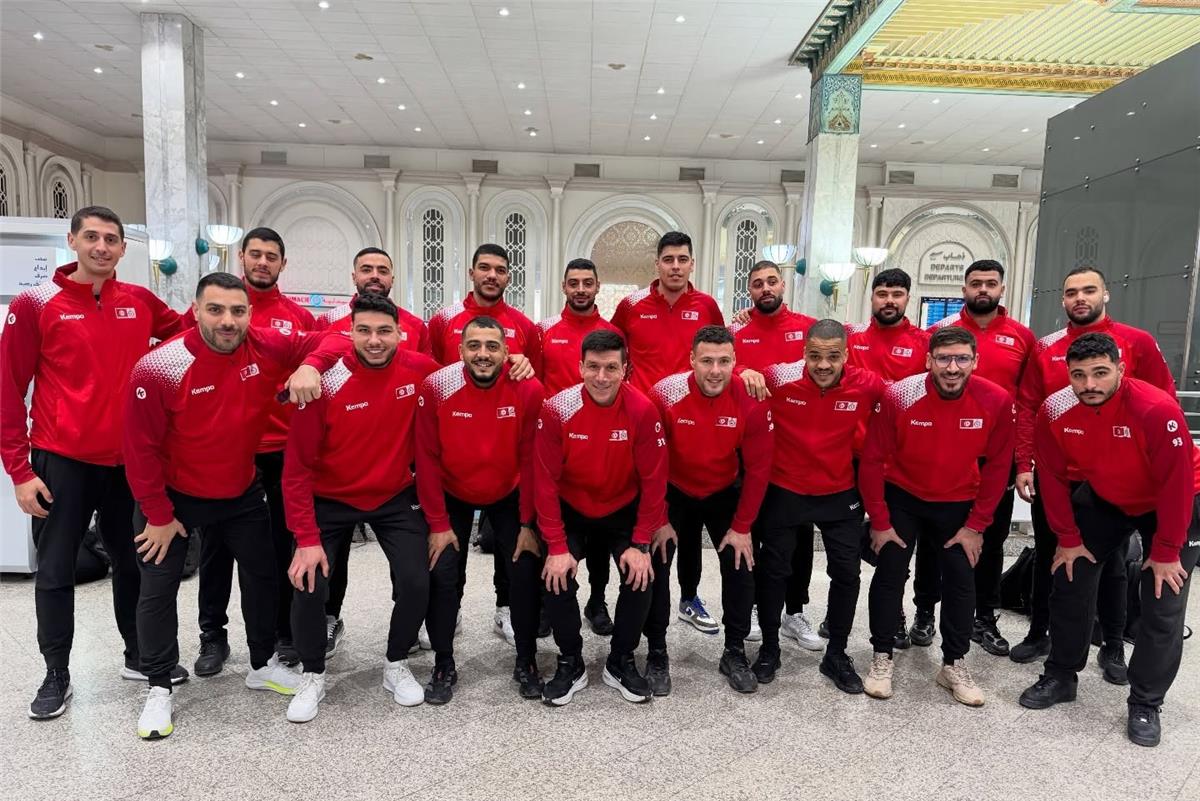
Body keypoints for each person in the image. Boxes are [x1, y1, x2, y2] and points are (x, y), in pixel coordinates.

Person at [121, 272, 335, 739]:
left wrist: (311, 365)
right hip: (173, 499)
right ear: (196, 310)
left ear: (250, 314)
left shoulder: (266, 345)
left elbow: (335, 337)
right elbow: (139, 451)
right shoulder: (158, 367)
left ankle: (261, 664)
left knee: (262, 577)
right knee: (157, 589)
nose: (228, 321)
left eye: (238, 311)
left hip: (240, 491)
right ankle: (158, 686)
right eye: (216, 310)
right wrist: (157, 515)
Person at [1, 206, 187, 719]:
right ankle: (56, 673)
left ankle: (140, 655)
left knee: (134, 563)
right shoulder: (36, 304)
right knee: (55, 569)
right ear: (73, 241)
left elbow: (188, 335)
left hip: (129, 463)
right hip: (62, 461)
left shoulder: (141, 301)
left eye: (110, 239)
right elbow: (8, 390)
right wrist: (20, 471)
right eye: (91, 237)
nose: (101, 247)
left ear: (123, 248)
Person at [1018, 333, 1198, 748]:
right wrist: (1067, 539)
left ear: (1120, 369)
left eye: (1100, 373)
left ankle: (1146, 701)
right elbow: (1053, 478)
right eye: (1079, 375)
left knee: (1163, 597)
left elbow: (1176, 484)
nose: (1089, 384)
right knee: (1069, 574)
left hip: (1175, 500)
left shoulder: (1155, 408)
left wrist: (1166, 551)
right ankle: (1061, 674)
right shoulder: (1055, 409)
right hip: (1108, 497)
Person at [281, 294, 439, 722]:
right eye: (364, 331)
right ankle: (313, 673)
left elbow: (466, 375)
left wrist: (515, 364)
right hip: (329, 499)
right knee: (309, 582)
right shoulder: (323, 382)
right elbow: (296, 470)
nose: (374, 340)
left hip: (392, 496)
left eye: (384, 331)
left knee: (416, 580)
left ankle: (396, 663)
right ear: (349, 333)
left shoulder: (420, 370)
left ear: (400, 334)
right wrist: (306, 539)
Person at [1012, 267, 1177, 672]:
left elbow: (1163, 400)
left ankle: (1113, 643)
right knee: (1055, 556)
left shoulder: (1136, 342)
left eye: (1089, 290)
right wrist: (1024, 463)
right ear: (1063, 300)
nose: (1080, 298)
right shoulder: (1046, 346)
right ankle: (1040, 633)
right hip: (1058, 469)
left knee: (1114, 564)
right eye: (1072, 292)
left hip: (1114, 478)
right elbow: (1029, 407)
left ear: (1106, 294)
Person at [611, 231, 761, 635]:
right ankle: (636, 614)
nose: (675, 266)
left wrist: (745, 363)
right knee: (660, 527)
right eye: (668, 259)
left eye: (682, 259)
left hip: (700, 418)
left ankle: (690, 598)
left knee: (694, 521)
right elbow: (614, 352)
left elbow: (720, 350)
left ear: (692, 264)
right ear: (657, 264)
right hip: (648, 423)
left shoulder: (707, 305)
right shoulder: (631, 306)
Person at [859, 326, 1014, 706]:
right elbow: (872, 459)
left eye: (962, 359)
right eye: (943, 358)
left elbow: (998, 467)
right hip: (903, 496)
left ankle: (954, 664)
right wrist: (879, 521)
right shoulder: (900, 395)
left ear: (975, 362)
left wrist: (976, 526)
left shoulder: (996, 400)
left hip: (958, 500)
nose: (952, 367)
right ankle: (882, 656)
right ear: (929, 361)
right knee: (890, 570)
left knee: (961, 578)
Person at [194, 227, 317, 678]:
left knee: (281, 544)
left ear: (283, 264)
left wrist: (308, 365)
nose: (263, 262)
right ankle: (213, 635)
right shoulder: (217, 310)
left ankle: (281, 632)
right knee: (216, 548)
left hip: (280, 448)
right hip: (226, 450)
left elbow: (324, 354)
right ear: (241, 257)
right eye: (256, 254)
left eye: (272, 256)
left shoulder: (298, 318)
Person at [310, 246, 432, 659]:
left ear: (393, 278)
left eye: (383, 269)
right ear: (354, 275)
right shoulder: (328, 324)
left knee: (410, 566)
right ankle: (328, 619)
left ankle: (407, 627)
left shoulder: (415, 326)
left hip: (393, 470)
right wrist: (309, 367)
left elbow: (433, 377)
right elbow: (313, 359)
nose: (375, 275)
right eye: (367, 268)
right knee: (327, 563)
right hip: (335, 475)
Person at [416, 316, 545, 703]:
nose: (483, 354)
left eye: (492, 346)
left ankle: (526, 660)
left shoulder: (528, 387)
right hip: (452, 492)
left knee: (524, 570)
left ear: (507, 352)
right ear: (460, 351)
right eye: (474, 345)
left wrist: (527, 523)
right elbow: (426, 458)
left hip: (509, 492)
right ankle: (443, 663)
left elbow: (531, 460)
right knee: (443, 574)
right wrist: (437, 524)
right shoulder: (437, 386)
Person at [910, 260, 1035, 657]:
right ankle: (925, 612)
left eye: (990, 283)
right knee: (933, 540)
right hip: (945, 453)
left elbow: (1027, 404)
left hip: (995, 457)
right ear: (964, 289)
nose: (983, 289)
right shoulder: (940, 333)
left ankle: (984, 617)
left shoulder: (1022, 338)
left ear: (1002, 289)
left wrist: (1023, 463)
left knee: (991, 539)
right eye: (976, 283)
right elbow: (921, 390)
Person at [535, 330, 666, 705]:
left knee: (641, 574)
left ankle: (621, 660)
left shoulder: (642, 410)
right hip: (572, 509)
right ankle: (570, 661)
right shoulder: (557, 409)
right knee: (555, 574)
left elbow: (654, 481)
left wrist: (641, 543)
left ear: (625, 369)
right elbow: (544, 482)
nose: (602, 377)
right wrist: (556, 546)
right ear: (580, 367)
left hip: (622, 508)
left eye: (611, 368)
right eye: (593, 367)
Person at [755, 319, 885, 693]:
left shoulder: (869, 384)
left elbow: (899, 408)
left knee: (847, 573)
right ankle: (769, 647)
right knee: (774, 571)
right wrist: (746, 371)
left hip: (839, 492)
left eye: (832, 356)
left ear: (846, 354)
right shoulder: (778, 378)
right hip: (785, 490)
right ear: (804, 354)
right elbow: (741, 379)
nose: (823, 365)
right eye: (814, 356)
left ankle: (837, 654)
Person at [647, 326, 773, 695]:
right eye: (706, 361)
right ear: (692, 360)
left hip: (723, 490)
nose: (715, 371)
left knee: (742, 563)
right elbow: (650, 463)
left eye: (723, 361)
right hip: (674, 490)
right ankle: (656, 652)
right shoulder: (665, 393)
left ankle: (734, 651)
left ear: (735, 362)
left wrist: (743, 527)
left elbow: (759, 469)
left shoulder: (751, 399)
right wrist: (659, 518)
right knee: (657, 565)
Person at [426, 243, 539, 644]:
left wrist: (524, 365)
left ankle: (505, 609)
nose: (492, 275)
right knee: (448, 552)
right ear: (471, 272)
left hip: (504, 458)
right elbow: (429, 373)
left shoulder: (524, 325)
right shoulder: (443, 320)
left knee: (511, 551)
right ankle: (449, 611)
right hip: (456, 452)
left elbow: (531, 381)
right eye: (485, 268)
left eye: (500, 269)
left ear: (509, 276)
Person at [729, 260, 818, 648]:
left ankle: (794, 611)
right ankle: (752, 605)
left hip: (798, 447)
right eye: (757, 284)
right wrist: (741, 371)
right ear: (748, 291)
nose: (765, 289)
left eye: (771, 282)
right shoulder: (737, 331)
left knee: (799, 535)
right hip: (749, 447)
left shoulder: (808, 327)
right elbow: (716, 366)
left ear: (783, 285)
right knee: (752, 528)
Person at [844, 267, 931, 650]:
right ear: (872, 297)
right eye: (882, 293)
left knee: (895, 545)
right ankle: (839, 614)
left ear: (908, 298)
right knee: (846, 543)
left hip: (898, 461)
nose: (889, 300)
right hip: (852, 455)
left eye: (897, 294)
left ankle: (896, 616)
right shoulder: (853, 338)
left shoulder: (924, 343)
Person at [535, 258, 622, 637]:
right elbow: (535, 382)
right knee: (556, 532)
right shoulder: (545, 331)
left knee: (600, 535)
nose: (581, 289)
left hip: (603, 442)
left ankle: (597, 601)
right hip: (557, 441)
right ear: (563, 286)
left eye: (588, 282)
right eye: (574, 282)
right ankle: (548, 602)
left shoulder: (613, 332)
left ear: (598, 286)